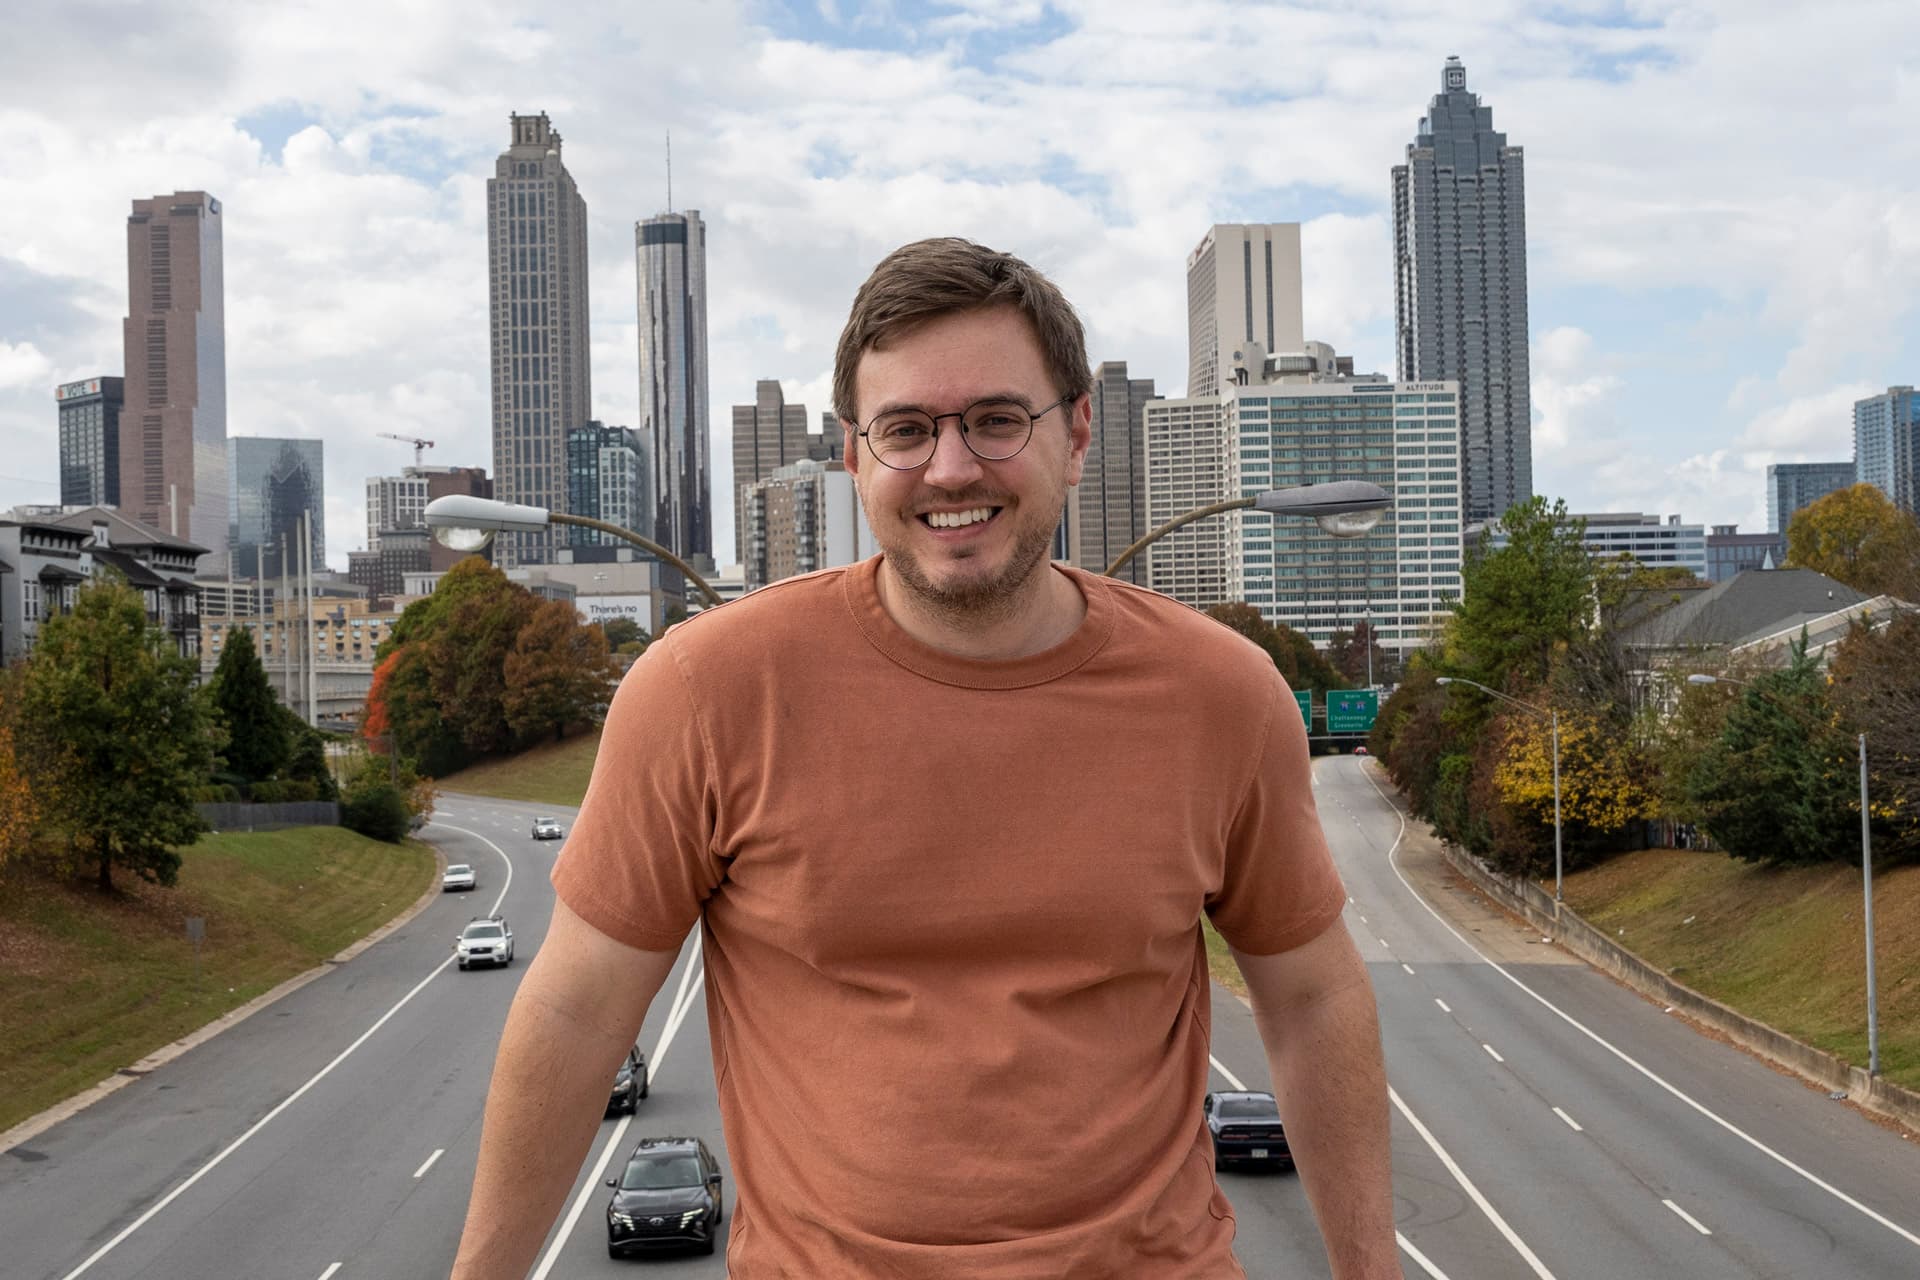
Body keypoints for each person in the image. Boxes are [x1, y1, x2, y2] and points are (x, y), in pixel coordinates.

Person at [451, 238, 1398, 1278]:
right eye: (906, 429)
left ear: (1078, 431)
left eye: (997, 419)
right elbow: (578, 1010)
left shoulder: (1224, 695)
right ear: (854, 454)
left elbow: (1312, 998)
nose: (951, 468)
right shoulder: (702, 692)